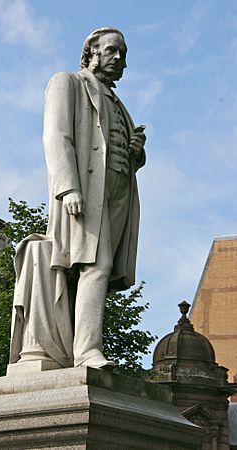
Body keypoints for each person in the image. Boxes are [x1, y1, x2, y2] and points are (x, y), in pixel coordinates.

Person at [42, 27, 146, 369]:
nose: (120, 60)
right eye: (113, 51)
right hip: (86, 191)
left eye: (124, 54)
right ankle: (86, 352)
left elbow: (117, 149)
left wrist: (136, 154)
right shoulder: (68, 82)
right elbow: (57, 137)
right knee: (95, 265)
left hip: (118, 191)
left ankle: (80, 346)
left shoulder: (119, 103)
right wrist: (68, 187)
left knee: (101, 267)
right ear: (92, 51)